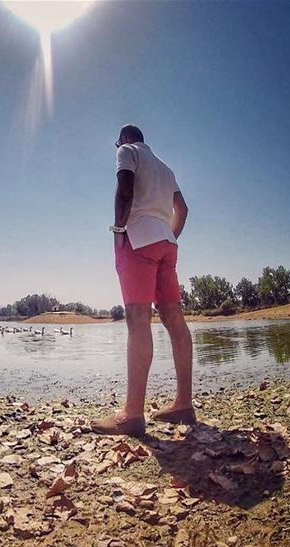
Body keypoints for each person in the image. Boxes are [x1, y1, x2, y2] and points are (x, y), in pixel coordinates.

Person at [91, 124, 194, 437]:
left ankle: (133, 414)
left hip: (138, 238)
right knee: (175, 319)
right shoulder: (165, 167)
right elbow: (183, 209)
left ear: (123, 139)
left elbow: (125, 188)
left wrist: (119, 229)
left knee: (138, 319)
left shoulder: (127, 151)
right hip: (167, 242)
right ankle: (183, 404)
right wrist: (168, 234)